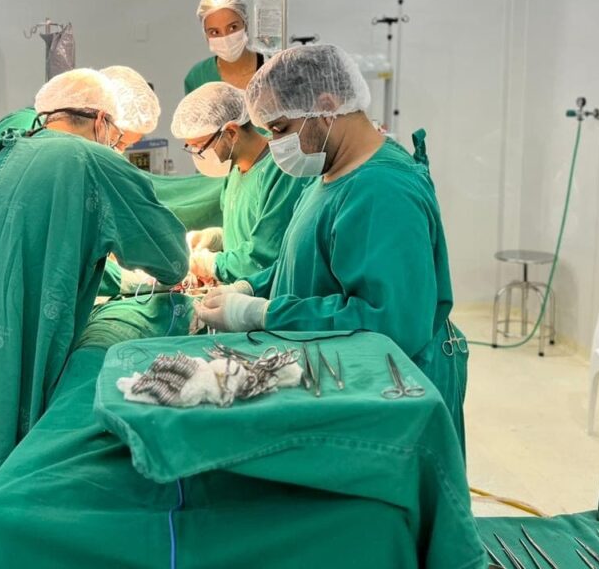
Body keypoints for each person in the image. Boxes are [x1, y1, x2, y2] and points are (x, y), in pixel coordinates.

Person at [0, 69, 188, 569]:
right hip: (8, 341)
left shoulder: (4, 143)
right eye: (120, 139)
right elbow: (171, 259)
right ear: (102, 121)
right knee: (0, 463)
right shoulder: (92, 161)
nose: (118, 148)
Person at [192, 45, 468, 451]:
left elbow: (390, 322)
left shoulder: (382, 192)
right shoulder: (329, 171)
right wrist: (251, 288)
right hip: (346, 381)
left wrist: (263, 314)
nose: (274, 143)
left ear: (326, 106)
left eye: (280, 128)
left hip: (393, 398)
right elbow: (304, 260)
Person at [170, 82, 309, 285]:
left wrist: (211, 264)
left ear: (232, 133)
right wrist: (217, 239)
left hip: (266, 298)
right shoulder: (234, 171)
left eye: (200, 146)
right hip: (237, 293)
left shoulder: (281, 170)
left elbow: (264, 258)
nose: (197, 154)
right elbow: (245, 236)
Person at [184, 0, 266, 94]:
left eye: (233, 27)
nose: (225, 38)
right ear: (206, 35)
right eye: (215, 32)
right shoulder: (197, 77)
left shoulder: (271, 68)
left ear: (245, 24)